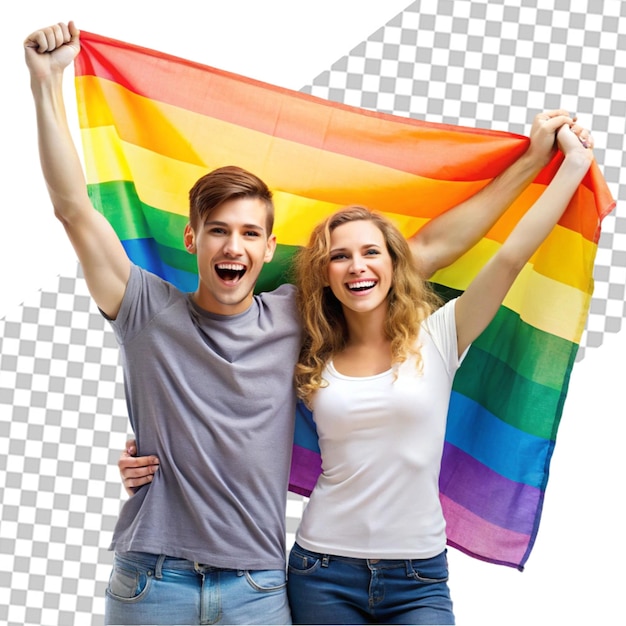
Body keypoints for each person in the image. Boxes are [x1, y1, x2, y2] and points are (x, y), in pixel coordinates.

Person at [25, 20, 587, 626]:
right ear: (192, 238)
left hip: (260, 585)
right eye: (217, 230)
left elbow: (424, 250)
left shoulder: (296, 314)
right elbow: (73, 209)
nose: (231, 247)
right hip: (153, 575)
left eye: (247, 233)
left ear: (270, 249)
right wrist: (46, 83)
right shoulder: (144, 310)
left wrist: (533, 161)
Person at [284, 122, 593, 624]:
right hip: (321, 569)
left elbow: (511, 257)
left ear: (393, 264)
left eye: (370, 252)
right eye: (340, 256)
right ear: (324, 273)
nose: (356, 266)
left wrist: (569, 165)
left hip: (418, 577)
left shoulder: (440, 335)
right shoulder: (307, 351)